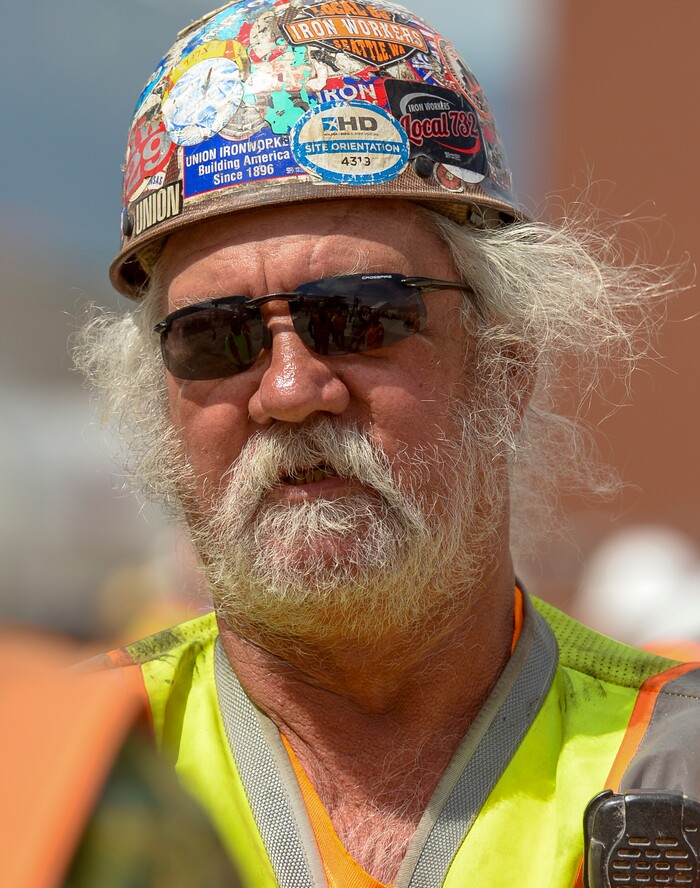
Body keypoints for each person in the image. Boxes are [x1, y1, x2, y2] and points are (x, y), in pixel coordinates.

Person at [74, 1, 700, 885]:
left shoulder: (677, 764)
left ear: (504, 370)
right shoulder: (62, 774)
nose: (290, 391)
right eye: (215, 337)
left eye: (360, 316)